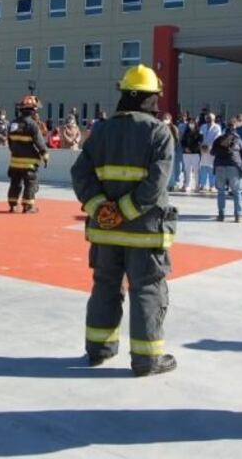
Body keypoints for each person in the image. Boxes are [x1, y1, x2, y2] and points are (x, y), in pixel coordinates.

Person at [71, 64, 177, 376]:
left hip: (105, 233)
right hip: (144, 234)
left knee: (105, 287)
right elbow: (156, 184)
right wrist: (125, 211)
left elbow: (80, 173)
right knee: (146, 290)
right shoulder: (159, 132)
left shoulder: (101, 130)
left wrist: (101, 208)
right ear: (151, 97)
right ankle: (147, 360)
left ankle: (98, 350)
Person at [7, 94, 48, 213]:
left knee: (15, 183)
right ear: (32, 111)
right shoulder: (32, 125)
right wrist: (45, 155)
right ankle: (28, 206)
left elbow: (10, 142)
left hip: (15, 162)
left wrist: (16, 152)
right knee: (30, 183)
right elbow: (40, 143)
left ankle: (13, 205)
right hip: (29, 163)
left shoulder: (13, 124)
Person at [212, 117, 242, 222]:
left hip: (220, 166)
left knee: (221, 191)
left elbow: (212, 152)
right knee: (237, 192)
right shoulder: (238, 140)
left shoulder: (219, 139)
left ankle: (221, 215)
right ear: (235, 128)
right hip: (234, 166)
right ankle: (238, 216)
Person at [198, 112, 221, 192]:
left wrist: (209, 147)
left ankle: (212, 185)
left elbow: (217, 138)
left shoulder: (217, 127)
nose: (209, 120)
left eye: (210, 118)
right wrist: (201, 146)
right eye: (207, 118)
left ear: (214, 119)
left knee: (211, 167)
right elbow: (200, 137)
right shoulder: (203, 126)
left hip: (211, 149)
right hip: (202, 149)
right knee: (203, 167)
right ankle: (202, 184)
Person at [180, 119, 202, 192]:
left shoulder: (199, 132)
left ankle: (197, 185)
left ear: (195, 124)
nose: (191, 124)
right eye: (190, 123)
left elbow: (199, 142)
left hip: (195, 154)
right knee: (187, 170)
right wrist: (185, 148)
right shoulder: (186, 132)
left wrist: (191, 149)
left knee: (196, 170)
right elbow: (182, 142)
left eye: (192, 123)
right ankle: (187, 185)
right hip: (186, 154)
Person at [162, 112, 181, 191]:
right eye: (164, 118)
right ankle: (164, 184)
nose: (165, 120)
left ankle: (171, 184)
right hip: (161, 150)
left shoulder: (173, 128)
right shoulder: (160, 127)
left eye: (166, 118)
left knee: (171, 168)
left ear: (170, 119)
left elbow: (177, 139)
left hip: (170, 149)